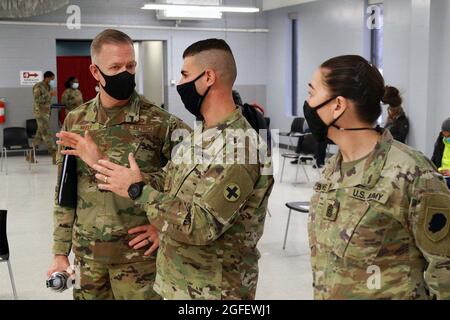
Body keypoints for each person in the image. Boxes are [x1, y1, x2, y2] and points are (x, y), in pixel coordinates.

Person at [79, 39, 274, 300]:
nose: (179, 83)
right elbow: (168, 181)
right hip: (177, 285)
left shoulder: (240, 148)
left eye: (184, 75)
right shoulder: (201, 135)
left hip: (214, 292)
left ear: (208, 78)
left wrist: (138, 190)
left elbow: (200, 225)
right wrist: (121, 173)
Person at [47, 29, 190, 300]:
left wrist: (164, 227)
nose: (125, 73)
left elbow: (192, 187)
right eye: (115, 67)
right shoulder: (76, 122)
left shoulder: (162, 123)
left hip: (139, 261)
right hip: (88, 258)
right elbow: (64, 191)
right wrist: (59, 252)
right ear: (95, 72)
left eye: (131, 65)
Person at [305, 55, 450, 299]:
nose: (308, 103)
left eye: (312, 93)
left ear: (337, 104)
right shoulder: (333, 167)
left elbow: (444, 269)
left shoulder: (412, 174)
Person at [30, 70, 57, 164]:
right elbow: (37, 100)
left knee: (39, 135)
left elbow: (47, 101)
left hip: (46, 113)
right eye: (52, 79)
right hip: (40, 113)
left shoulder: (49, 87)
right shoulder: (38, 86)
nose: (52, 81)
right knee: (47, 133)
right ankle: (54, 155)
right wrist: (49, 94)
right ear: (47, 77)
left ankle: (30, 155)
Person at [431, 118, 450, 189]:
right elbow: (434, 159)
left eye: (448, 136)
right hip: (441, 174)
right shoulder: (440, 141)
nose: (446, 138)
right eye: (444, 136)